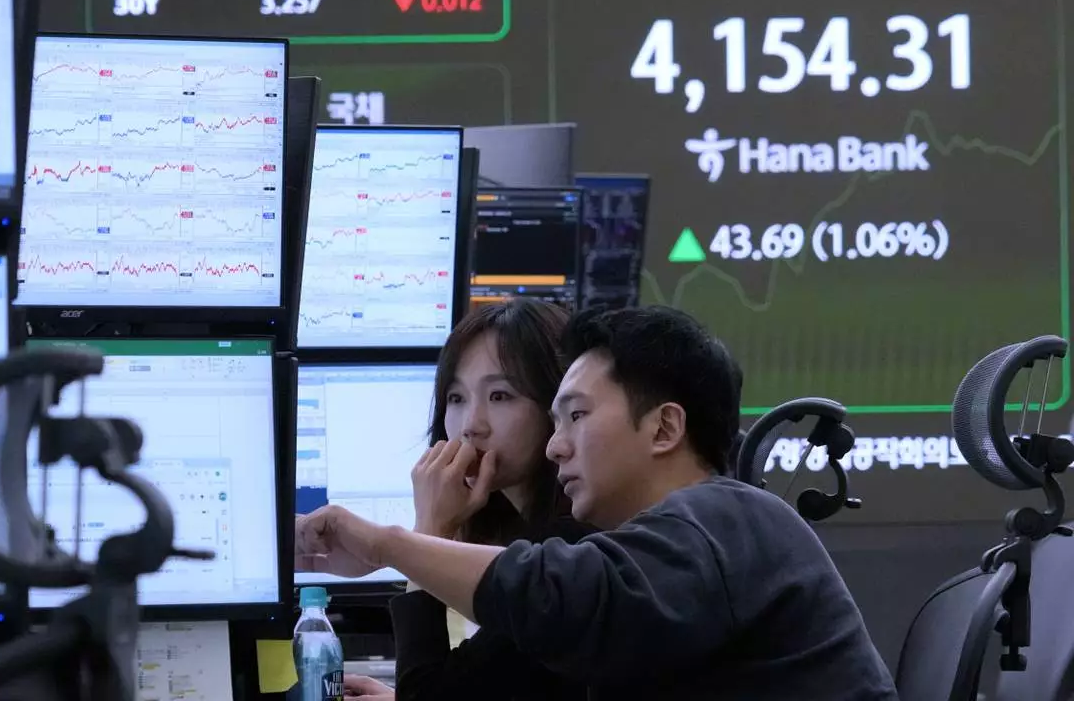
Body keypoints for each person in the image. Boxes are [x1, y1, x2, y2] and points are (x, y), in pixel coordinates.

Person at [301, 306, 899, 700]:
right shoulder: (692, 533)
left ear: (664, 429)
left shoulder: (727, 518)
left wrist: (392, 542)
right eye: (455, 399)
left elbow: (557, 595)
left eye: (578, 416)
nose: (557, 446)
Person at [343, 298, 593, 701]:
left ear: (557, 405)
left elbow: (426, 695)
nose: (470, 426)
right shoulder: (529, 534)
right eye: (456, 398)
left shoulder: (566, 549)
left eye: (500, 396)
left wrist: (428, 532)